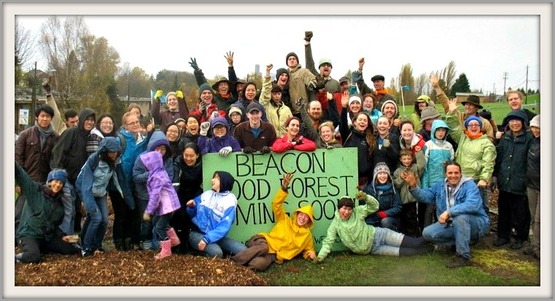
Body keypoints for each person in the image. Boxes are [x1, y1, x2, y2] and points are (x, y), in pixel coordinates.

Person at [400, 161, 490, 268]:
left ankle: (463, 256)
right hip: (451, 223)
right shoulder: (440, 186)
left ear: (461, 174)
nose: (453, 176)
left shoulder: (470, 185)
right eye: (450, 173)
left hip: (476, 224)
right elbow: (426, 196)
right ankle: (458, 242)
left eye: (456, 173)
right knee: (427, 233)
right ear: (445, 174)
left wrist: (449, 212)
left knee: (460, 217)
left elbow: (472, 204)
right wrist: (413, 186)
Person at [231, 172, 317, 271]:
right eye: (301, 214)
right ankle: (232, 263)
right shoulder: (284, 219)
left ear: (309, 221)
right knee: (263, 248)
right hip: (263, 242)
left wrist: (311, 255)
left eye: (306, 217)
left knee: (257, 264)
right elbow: (276, 204)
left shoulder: (307, 236)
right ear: (297, 214)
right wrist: (284, 188)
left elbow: (308, 250)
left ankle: (245, 263)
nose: (303, 218)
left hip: (274, 256)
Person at [315, 190, 431, 263]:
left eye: (349, 209)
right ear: (338, 208)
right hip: (374, 249)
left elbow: (374, 206)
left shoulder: (358, 212)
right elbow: (328, 242)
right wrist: (320, 257)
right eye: (344, 208)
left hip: (379, 235)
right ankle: (431, 249)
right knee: (407, 252)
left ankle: (434, 238)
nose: (346, 212)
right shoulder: (335, 224)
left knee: (414, 243)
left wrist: (366, 197)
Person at [15, 163, 80, 263]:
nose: (58, 185)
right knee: (34, 256)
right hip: (28, 234)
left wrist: (62, 236)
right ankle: (15, 258)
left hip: (45, 237)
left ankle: (39, 248)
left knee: (70, 249)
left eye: (61, 183)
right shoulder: (35, 191)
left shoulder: (59, 205)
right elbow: (21, 175)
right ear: (49, 181)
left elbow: (54, 226)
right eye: (56, 181)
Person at [50, 107, 96, 235]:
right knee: (68, 209)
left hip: (79, 179)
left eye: (92, 120)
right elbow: (58, 152)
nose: (90, 122)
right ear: (81, 120)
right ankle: (65, 236)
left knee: (77, 208)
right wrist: (58, 175)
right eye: (87, 119)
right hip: (65, 178)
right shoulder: (71, 132)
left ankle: (75, 234)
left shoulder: (90, 137)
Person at [445, 100, 496, 214]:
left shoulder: (486, 143)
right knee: (461, 206)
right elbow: (453, 126)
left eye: (476, 125)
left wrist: (484, 179)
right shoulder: (462, 138)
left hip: (476, 181)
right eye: (470, 125)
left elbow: (489, 163)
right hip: (460, 179)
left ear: (480, 127)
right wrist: (452, 112)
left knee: (480, 207)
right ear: (467, 127)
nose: (473, 127)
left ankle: (481, 230)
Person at [492, 109, 532, 250]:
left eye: (517, 121)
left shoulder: (529, 138)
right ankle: (503, 235)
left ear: (523, 122)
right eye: (512, 121)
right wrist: (496, 176)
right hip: (505, 180)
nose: (514, 124)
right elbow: (499, 158)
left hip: (520, 181)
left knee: (521, 212)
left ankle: (520, 237)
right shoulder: (505, 138)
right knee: (504, 210)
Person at [75, 137, 122, 256]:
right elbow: (85, 185)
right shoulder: (93, 160)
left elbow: (117, 180)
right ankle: (86, 247)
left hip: (100, 192)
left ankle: (96, 245)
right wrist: (89, 204)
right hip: (87, 190)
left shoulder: (114, 161)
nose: (114, 154)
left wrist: (126, 196)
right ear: (104, 151)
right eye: (111, 152)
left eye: (115, 151)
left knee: (104, 220)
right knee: (96, 218)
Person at [186, 171, 246, 258]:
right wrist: (191, 207)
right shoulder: (207, 194)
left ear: (224, 182)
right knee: (216, 253)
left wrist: (208, 239)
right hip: (197, 233)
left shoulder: (230, 200)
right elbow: (191, 214)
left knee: (243, 251)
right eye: (213, 177)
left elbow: (224, 226)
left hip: (215, 236)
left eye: (217, 178)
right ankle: (199, 253)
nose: (212, 180)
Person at [115, 111, 152, 251]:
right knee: (122, 213)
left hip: (137, 181)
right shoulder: (121, 139)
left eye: (137, 122)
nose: (135, 125)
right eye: (132, 123)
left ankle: (132, 240)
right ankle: (119, 241)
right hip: (121, 181)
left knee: (135, 212)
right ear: (125, 125)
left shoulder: (143, 139)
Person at [133, 130, 174, 250]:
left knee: (159, 221)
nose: (160, 152)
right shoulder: (142, 158)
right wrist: (149, 175)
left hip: (161, 196)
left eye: (163, 149)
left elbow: (170, 176)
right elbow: (135, 176)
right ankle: (146, 239)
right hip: (144, 195)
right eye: (157, 148)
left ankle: (159, 243)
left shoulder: (168, 160)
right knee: (146, 219)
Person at [141, 150, 182, 260]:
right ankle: (173, 240)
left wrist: (148, 211)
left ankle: (166, 250)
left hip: (167, 206)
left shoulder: (157, 177)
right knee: (156, 222)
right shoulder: (158, 173)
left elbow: (155, 195)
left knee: (159, 227)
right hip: (166, 205)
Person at [431, 74, 494, 141]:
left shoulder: (485, 123)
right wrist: (437, 87)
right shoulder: (459, 116)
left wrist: (477, 143)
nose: (467, 106)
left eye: (470, 105)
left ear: (476, 108)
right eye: (466, 104)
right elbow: (446, 104)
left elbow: (491, 139)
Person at [420, 119, 454, 229]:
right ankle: (426, 233)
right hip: (431, 184)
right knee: (429, 210)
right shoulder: (428, 145)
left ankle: (442, 232)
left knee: (443, 209)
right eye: (438, 130)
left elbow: (452, 164)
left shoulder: (449, 146)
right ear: (433, 131)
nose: (440, 133)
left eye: (443, 130)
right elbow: (424, 167)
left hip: (445, 184)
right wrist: (425, 186)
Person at [172, 142, 203, 253]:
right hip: (180, 193)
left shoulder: (203, 164)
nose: (188, 158)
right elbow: (175, 181)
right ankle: (180, 244)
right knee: (180, 214)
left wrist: (197, 198)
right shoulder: (178, 162)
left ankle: (192, 244)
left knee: (195, 215)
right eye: (186, 155)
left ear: (197, 155)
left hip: (196, 193)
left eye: (191, 156)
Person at [15, 104, 58, 183]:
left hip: (46, 180)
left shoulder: (55, 137)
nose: (45, 119)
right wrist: (20, 179)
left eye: (48, 116)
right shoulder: (25, 135)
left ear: (51, 118)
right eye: (42, 116)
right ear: (37, 117)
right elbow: (18, 158)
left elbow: (56, 159)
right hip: (27, 178)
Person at [393, 148, 425, 237]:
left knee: (416, 217)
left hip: (415, 198)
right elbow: (396, 185)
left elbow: (422, 165)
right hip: (404, 200)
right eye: (404, 159)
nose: (407, 161)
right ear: (400, 159)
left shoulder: (415, 168)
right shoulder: (398, 171)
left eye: (408, 158)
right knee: (407, 218)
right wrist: (401, 178)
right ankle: (408, 236)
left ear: (412, 158)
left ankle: (418, 235)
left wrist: (418, 152)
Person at [340, 110, 376, 188]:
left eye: (365, 120)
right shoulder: (348, 134)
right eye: (360, 120)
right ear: (354, 122)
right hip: (349, 177)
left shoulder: (371, 139)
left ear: (367, 124)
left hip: (364, 181)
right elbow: (342, 124)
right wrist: (344, 108)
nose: (362, 122)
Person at [363, 163, 402, 231]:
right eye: (380, 173)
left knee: (385, 221)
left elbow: (398, 207)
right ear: (376, 175)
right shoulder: (369, 189)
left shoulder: (393, 189)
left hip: (389, 218)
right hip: (373, 218)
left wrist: (385, 213)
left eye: (385, 173)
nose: (383, 176)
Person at [260, 64, 294, 137]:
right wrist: (267, 72)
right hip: (270, 139)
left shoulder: (286, 109)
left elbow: (292, 125)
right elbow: (265, 91)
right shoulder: (266, 106)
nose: (277, 96)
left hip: (284, 140)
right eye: (274, 94)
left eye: (279, 94)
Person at [523, 115, 540, 259]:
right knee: (534, 217)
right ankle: (536, 245)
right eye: (533, 127)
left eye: (538, 127)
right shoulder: (532, 141)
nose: (535, 130)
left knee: (541, 219)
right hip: (532, 186)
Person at [285, 51, 317, 117]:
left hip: (303, 109)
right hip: (290, 110)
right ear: (287, 62)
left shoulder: (303, 71)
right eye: (289, 59)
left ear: (297, 61)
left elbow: (312, 80)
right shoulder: (285, 74)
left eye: (294, 59)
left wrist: (311, 83)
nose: (292, 60)